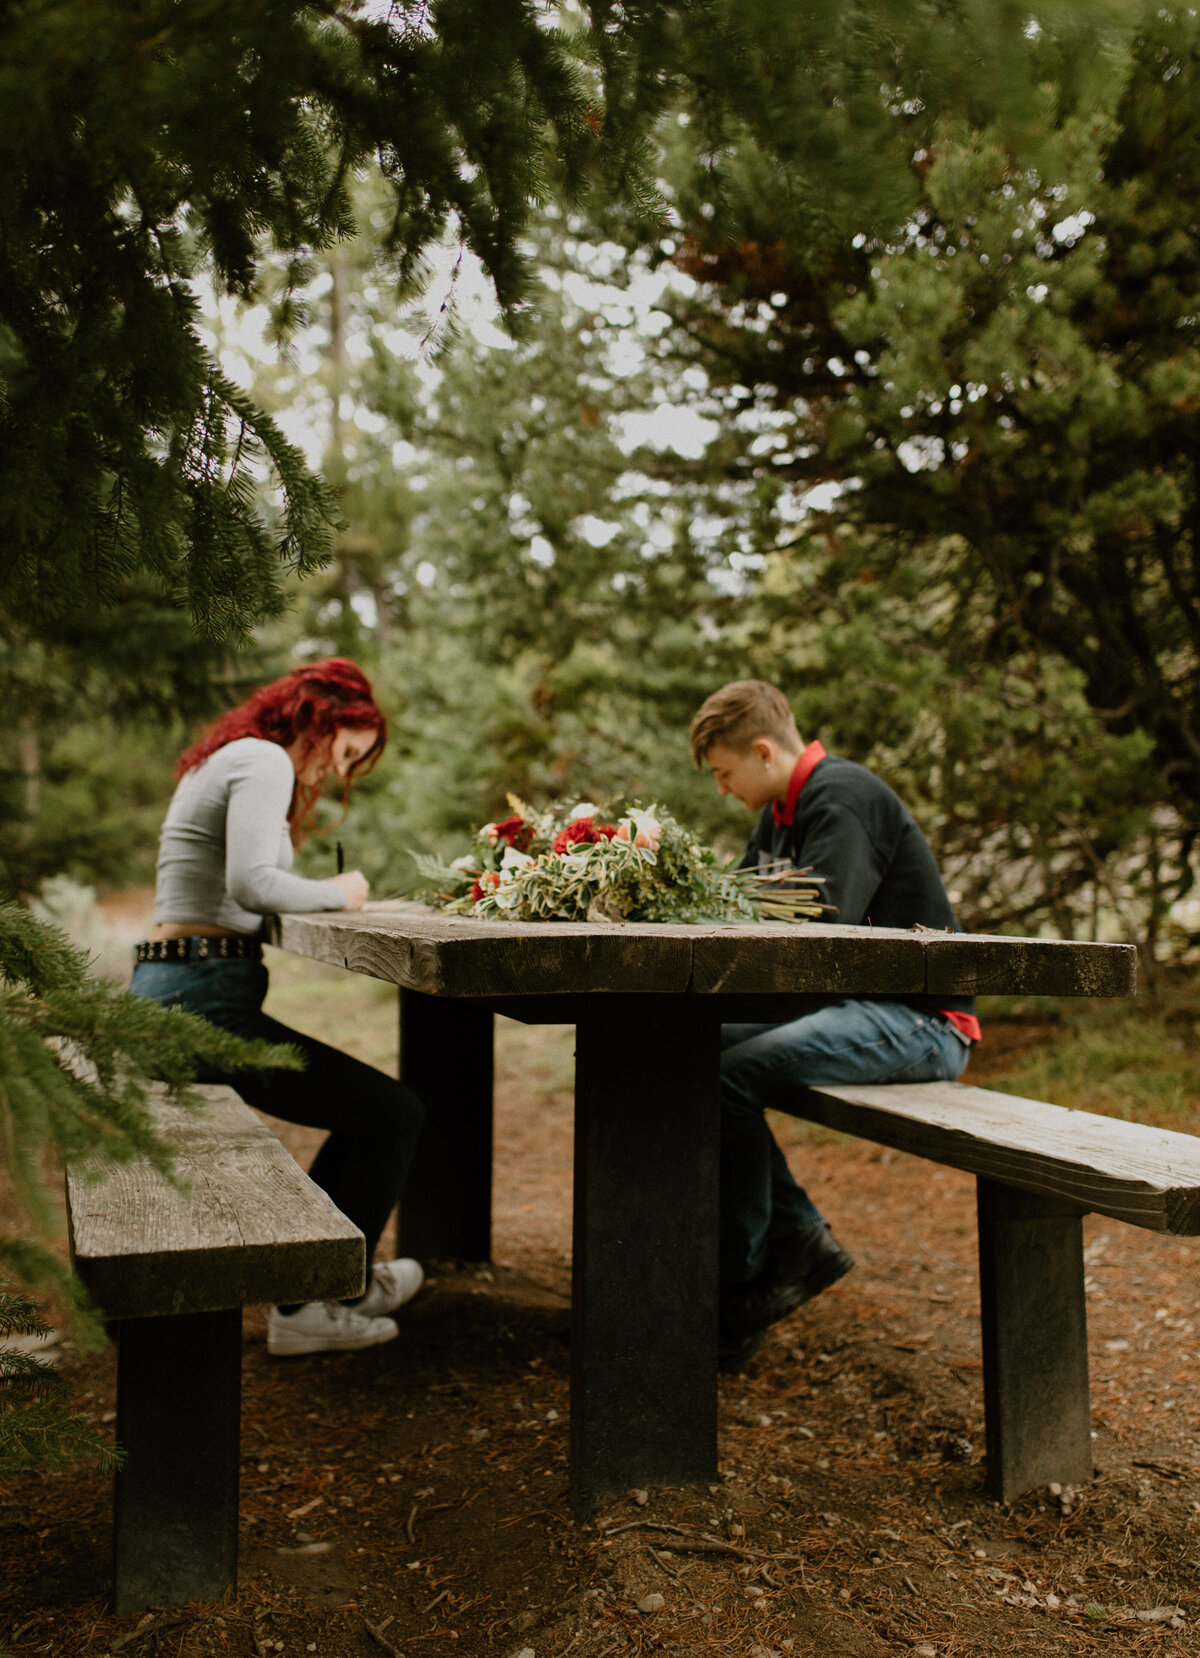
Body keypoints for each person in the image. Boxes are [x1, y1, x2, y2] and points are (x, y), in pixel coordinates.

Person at [129, 658, 427, 1357]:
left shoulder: (235, 757)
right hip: (200, 1005)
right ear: (318, 722)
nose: (336, 775)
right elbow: (254, 883)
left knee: (373, 1111)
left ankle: (332, 1281)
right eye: (345, 753)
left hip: (177, 992)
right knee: (394, 1113)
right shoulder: (264, 760)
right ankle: (308, 1302)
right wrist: (342, 893)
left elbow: (230, 898)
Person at [690, 679, 981, 1369]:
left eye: (725, 774)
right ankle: (790, 1244)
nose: (724, 790)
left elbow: (819, 940)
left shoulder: (841, 798)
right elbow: (737, 916)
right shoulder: (779, 813)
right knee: (680, 1053)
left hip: (922, 1021)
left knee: (727, 1077)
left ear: (763, 751)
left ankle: (751, 1275)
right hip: (852, 1010)